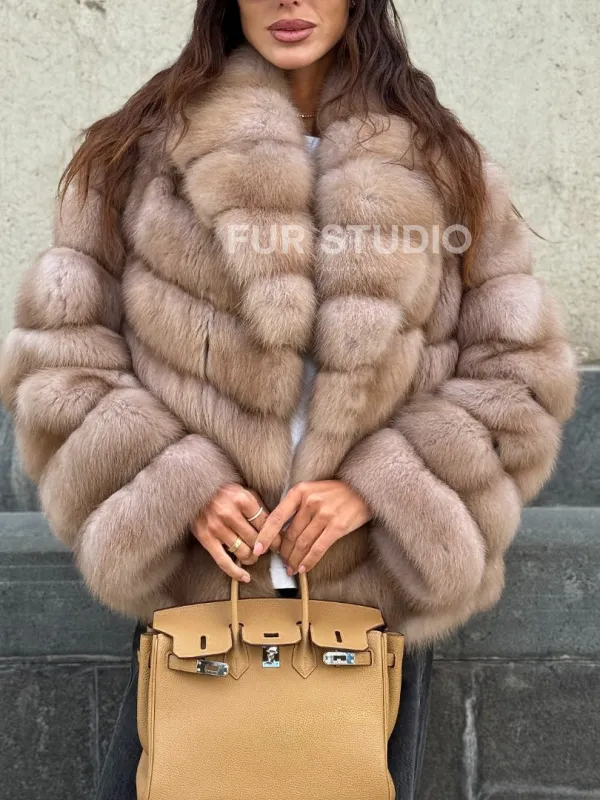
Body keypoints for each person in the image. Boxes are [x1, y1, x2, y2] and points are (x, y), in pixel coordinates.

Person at [0, 1, 577, 798]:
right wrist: (179, 482)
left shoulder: (443, 165)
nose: (290, 2)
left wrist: (381, 485)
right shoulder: (139, 156)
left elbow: (518, 374)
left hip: (367, 605)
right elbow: (61, 359)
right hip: (200, 601)